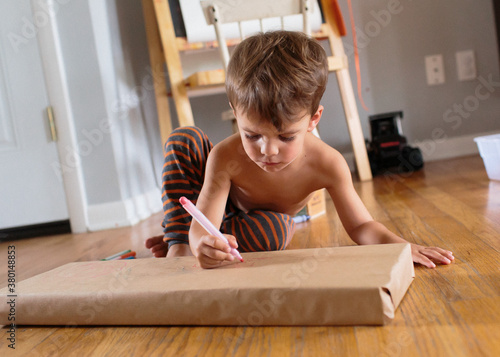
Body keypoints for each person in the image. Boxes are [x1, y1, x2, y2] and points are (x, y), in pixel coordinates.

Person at [145, 31, 454, 269]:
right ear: (236, 113)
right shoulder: (225, 156)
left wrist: (399, 246)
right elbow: (204, 223)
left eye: (285, 137)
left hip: (253, 223)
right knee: (184, 137)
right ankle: (179, 245)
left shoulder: (328, 164)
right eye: (251, 135)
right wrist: (198, 240)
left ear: (313, 119)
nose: (268, 150)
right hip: (212, 210)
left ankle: (199, 237)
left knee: (277, 231)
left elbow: (361, 225)